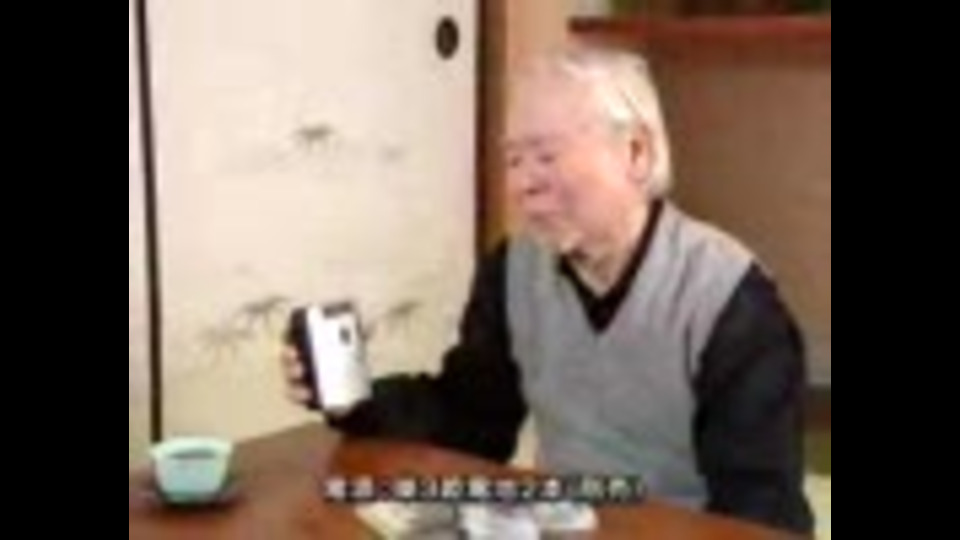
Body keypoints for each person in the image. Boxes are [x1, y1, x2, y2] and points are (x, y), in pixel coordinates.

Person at [282, 47, 813, 534]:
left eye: (546, 156)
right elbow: (471, 420)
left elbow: (760, 514)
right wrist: (353, 397)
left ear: (636, 152)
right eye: (513, 160)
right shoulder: (514, 269)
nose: (522, 183)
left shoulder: (729, 299)